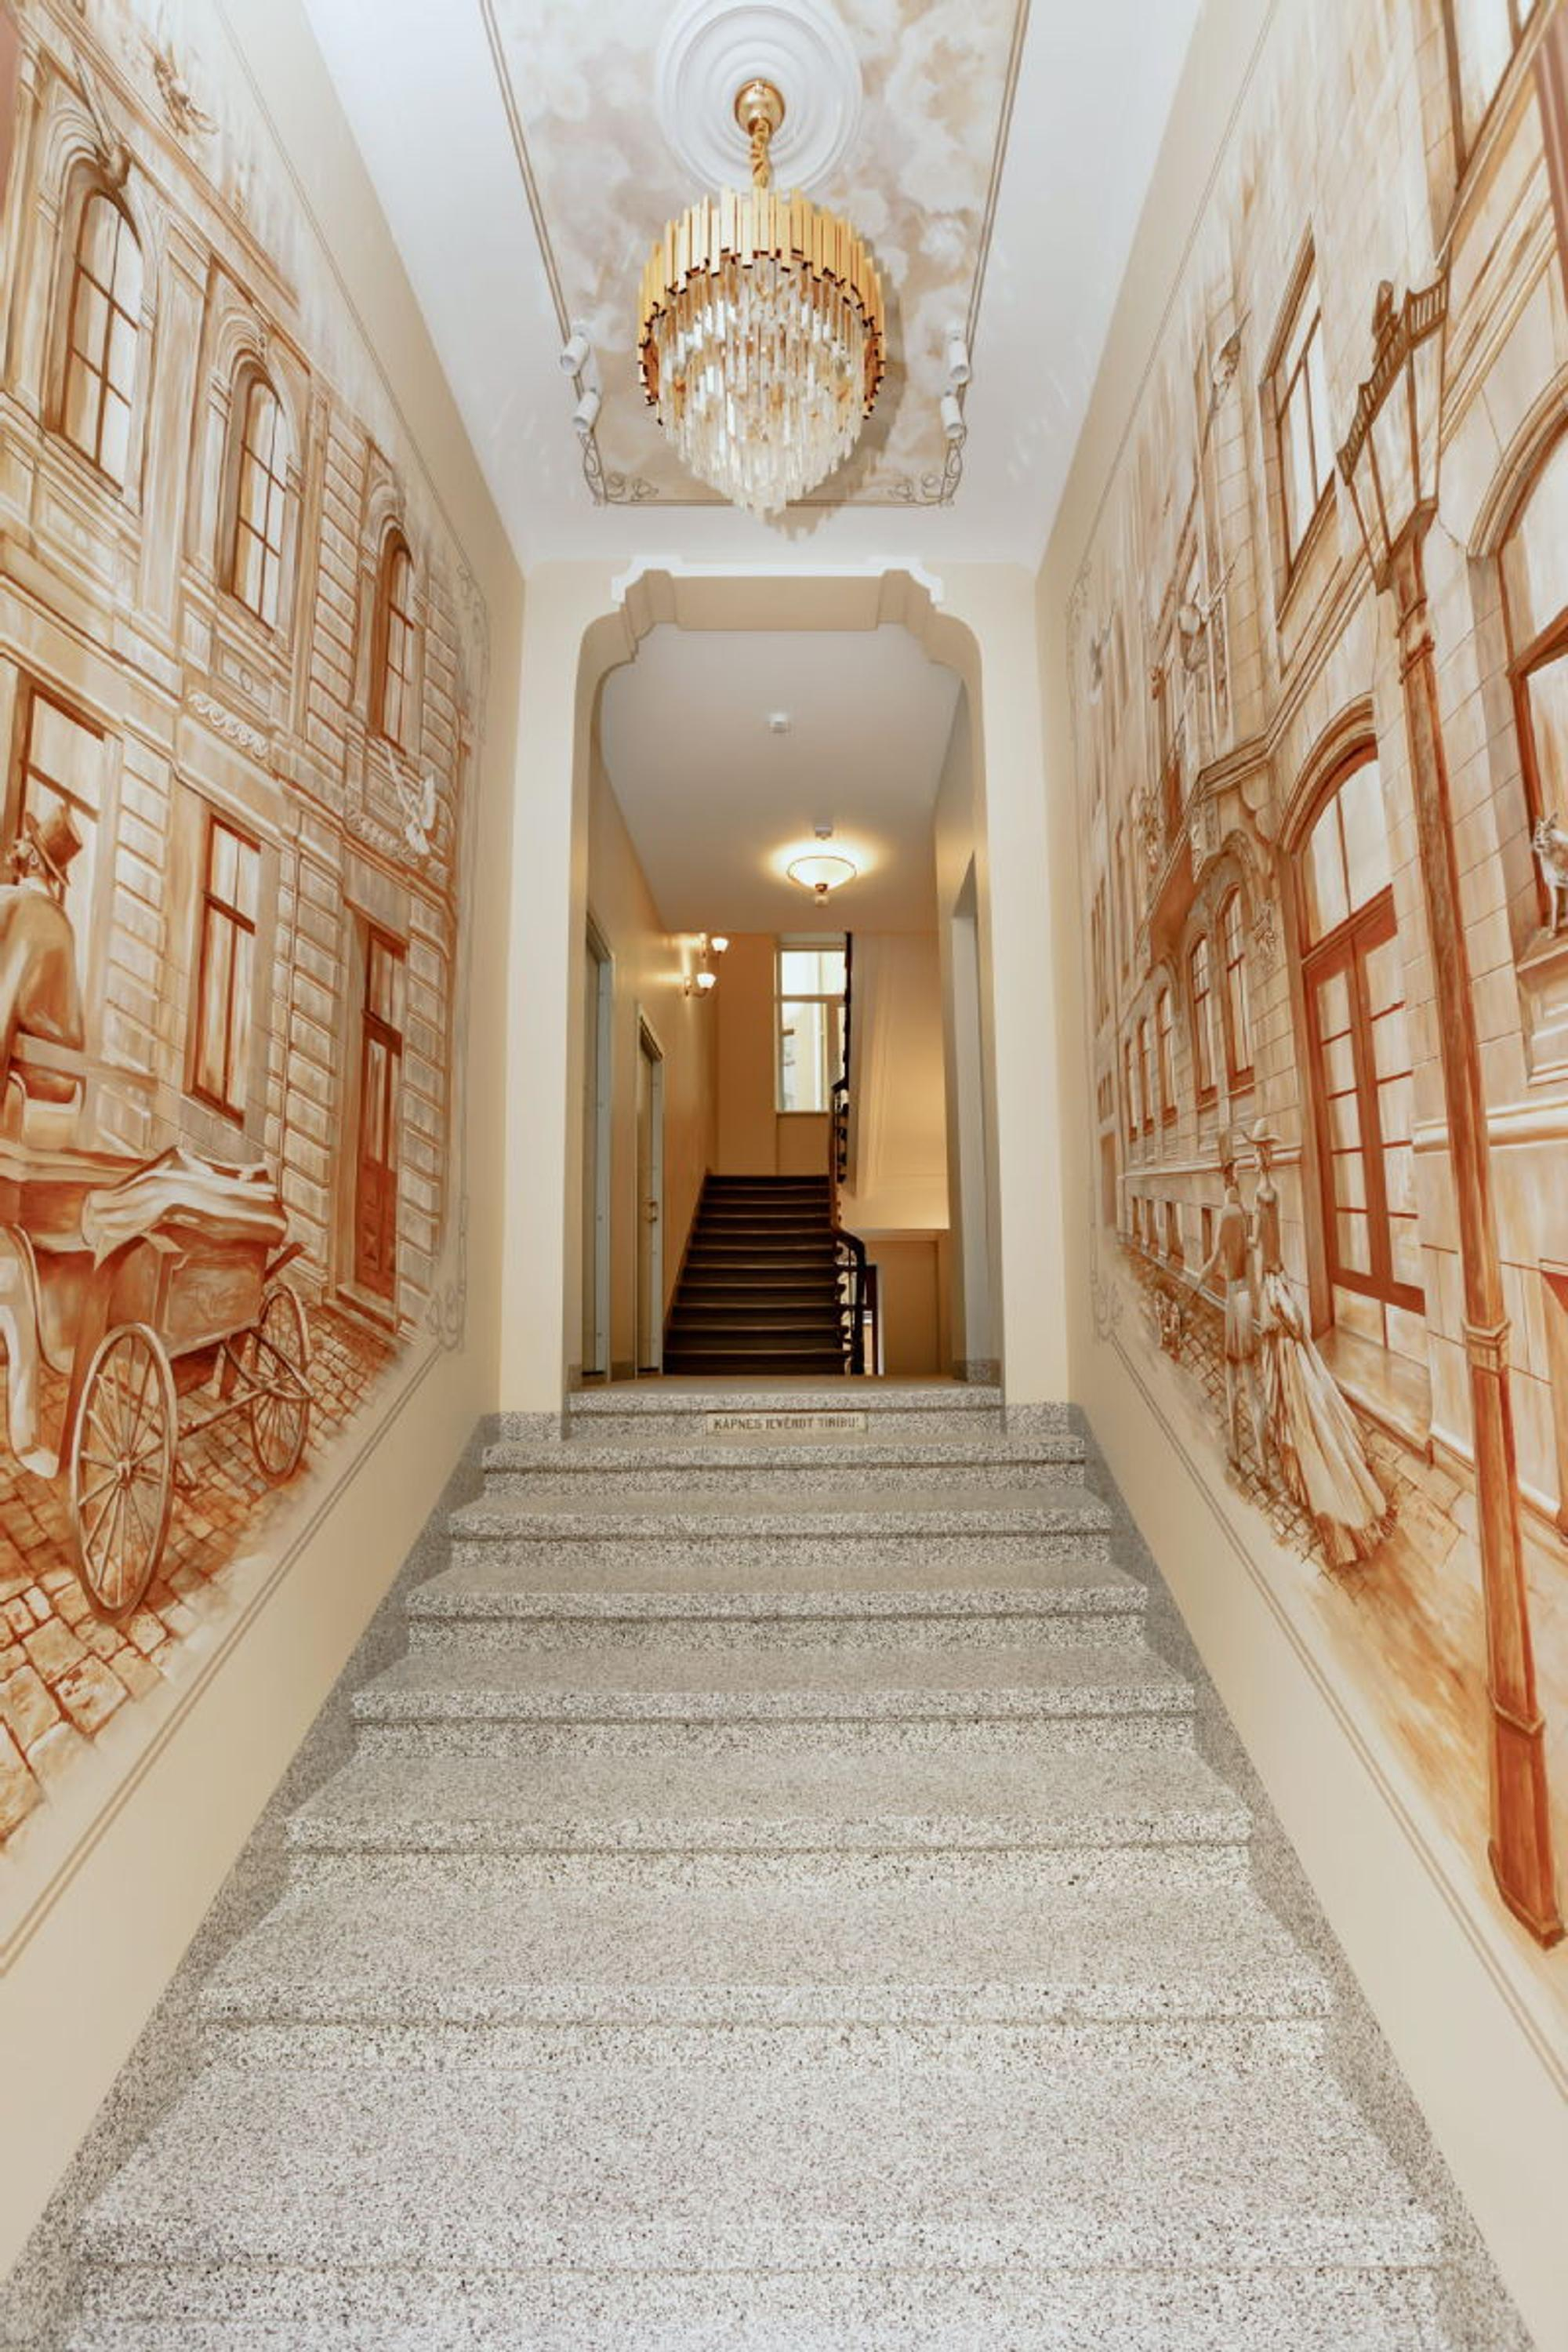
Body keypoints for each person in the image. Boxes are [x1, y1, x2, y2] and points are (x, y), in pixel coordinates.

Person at [1250, 1116, 1392, 1567]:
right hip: (1276, 1279)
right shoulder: (1269, 1187)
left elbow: (1262, 1246)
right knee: (1296, 1374)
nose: (1261, 1154)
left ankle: (1329, 1489)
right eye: (1261, 1149)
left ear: (1263, 1153)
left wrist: (1268, 1289)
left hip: (1272, 1281)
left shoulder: (1262, 1190)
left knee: (1295, 1385)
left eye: (1262, 1149)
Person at [1189, 1139, 1270, 1479]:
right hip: (1246, 1299)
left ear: (1225, 1181)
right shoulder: (1243, 1214)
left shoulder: (1226, 1215)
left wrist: (1198, 1280)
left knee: (1231, 1380)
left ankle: (1236, 1451)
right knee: (1251, 1382)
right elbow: (1250, 1250)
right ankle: (1264, 1465)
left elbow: (1214, 1261)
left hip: (1233, 1300)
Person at [0, 805, 85, 1119]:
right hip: (58, 1082)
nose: (17, 845)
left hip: (20, 1072)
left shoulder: (13, 903)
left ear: (35, 859)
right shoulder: (64, 925)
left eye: (25, 842)